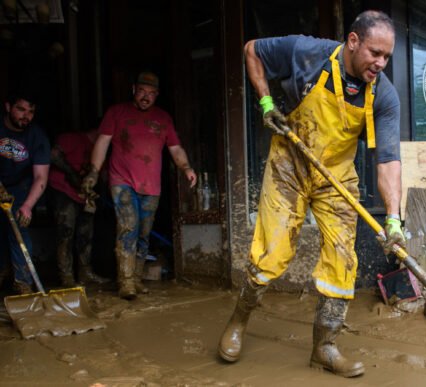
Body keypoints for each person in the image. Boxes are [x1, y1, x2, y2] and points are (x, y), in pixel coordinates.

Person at [218, 10, 405, 378]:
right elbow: (251, 50)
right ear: (353, 42)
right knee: (272, 253)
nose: (380, 64)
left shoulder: (383, 95)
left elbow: (388, 161)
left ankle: (325, 347)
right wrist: (267, 103)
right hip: (291, 163)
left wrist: (394, 220)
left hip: (335, 177)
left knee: (341, 262)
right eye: (374, 53)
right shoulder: (306, 53)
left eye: (387, 57)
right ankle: (239, 320)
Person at [81, 71, 197, 300]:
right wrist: (94, 172)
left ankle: (135, 278)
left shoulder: (163, 119)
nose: (146, 97)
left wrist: (186, 168)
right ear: (134, 89)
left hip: (151, 186)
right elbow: (102, 143)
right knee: (128, 227)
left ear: (157, 95)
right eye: (143, 91)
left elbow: (175, 148)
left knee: (143, 233)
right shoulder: (116, 113)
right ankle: (125, 282)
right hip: (122, 181)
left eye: (152, 93)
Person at [0, 92, 50, 294]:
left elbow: (41, 177)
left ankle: (23, 284)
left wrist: (28, 206)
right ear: (8, 107)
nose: (26, 116)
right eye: (21, 109)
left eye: (31, 112)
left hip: (21, 187)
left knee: (19, 228)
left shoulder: (37, 136)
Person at [48, 128, 109, 286]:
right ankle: (66, 276)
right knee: (65, 233)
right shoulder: (72, 138)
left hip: (86, 196)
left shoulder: (103, 150)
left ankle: (85, 273)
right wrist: (72, 174)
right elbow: (53, 154)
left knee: (85, 235)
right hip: (64, 191)